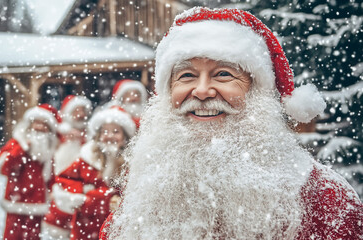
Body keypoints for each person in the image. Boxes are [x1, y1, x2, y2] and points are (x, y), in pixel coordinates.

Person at [100, 7, 363, 240]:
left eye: (223, 74)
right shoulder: (148, 194)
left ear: (257, 90)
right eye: (187, 75)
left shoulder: (327, 199)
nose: (202, 91)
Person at [53, 106, 136, 240]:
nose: (109, 136)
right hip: (86, 225)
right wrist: (84, 196)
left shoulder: (131, 162)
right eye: (105, 132)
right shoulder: (87, 158)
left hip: (116, 226)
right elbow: (65, 180)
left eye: (116, 132)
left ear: (124, 137)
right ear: (98, 136)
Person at [0, 104, 61, 240]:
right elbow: (4, 167)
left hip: (37, 201)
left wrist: (52, 190)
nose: (40, 128)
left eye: (44, 125)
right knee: (13, 234)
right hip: (17, 199)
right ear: (29, 125)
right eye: (37, 123)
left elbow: (50, 175)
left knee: (33, 235)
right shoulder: (17, 143)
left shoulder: (48, 150)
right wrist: (22, 148)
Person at [41, 95, 93, 239]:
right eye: (77, 111)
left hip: (83, 187)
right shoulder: (58, 135)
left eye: (83, 111)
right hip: (60, 185)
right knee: (60, 225)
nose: (81, 115)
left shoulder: (90, 135)